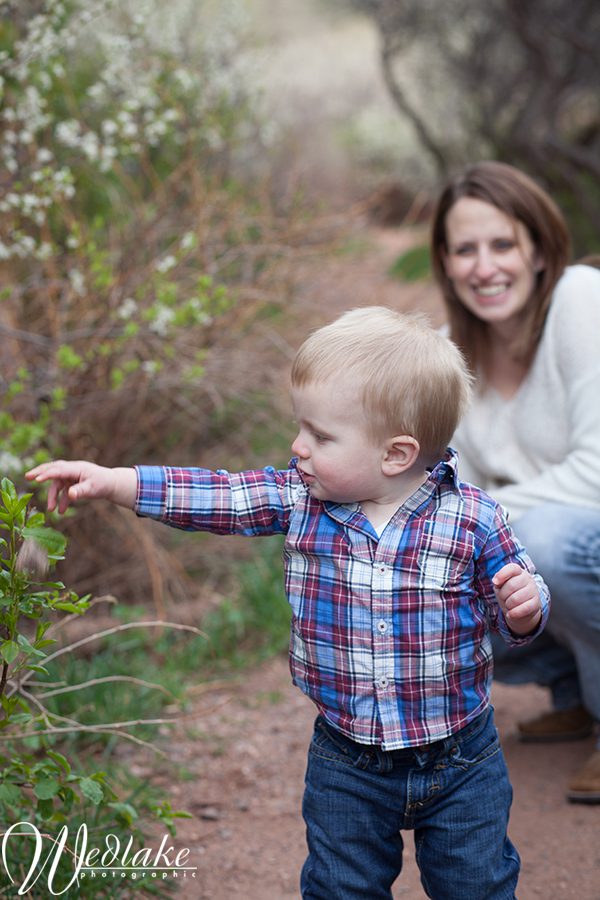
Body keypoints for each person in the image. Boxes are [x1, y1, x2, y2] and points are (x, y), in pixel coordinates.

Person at [26, 307, 550, 900]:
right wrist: (116, 481)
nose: (297, 446)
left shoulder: (473, 520)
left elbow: (518, 599)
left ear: (396, 454)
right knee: (339, 887)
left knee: (476, 884)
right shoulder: (300, 500)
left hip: (460, 758)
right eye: (301, 426)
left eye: (321, 436)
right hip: (346, 755)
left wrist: (525, 607)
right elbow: (217, 495)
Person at [430, 160, 600, 804]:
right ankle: (578, 695)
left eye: (502, 243)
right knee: (424, 585)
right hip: (552, 545)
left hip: (581, 536)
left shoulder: (581, 299)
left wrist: (480, 523)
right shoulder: (451, 356)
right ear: (444, 263)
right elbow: (451, 487)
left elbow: (596, 472)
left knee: (546, 541)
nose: (485, 266)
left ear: (536, 249)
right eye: (465, 249)